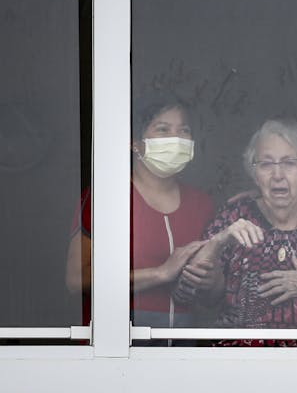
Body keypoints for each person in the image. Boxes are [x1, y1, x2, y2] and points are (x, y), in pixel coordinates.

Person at [185, 119, 297, 346]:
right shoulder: (233, 218)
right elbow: (192, 295)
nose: (277, 175)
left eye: (289, 163)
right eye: (266, 164)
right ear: (254, 174)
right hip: (239, 360)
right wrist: (219, 240)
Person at [65, 95, 213, 331]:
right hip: (119, 345)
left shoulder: (202, 204)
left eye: (184, 130)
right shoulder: (107, 197)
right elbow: (76, 279)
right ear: (135, 142)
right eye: (163, 129)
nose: (175, 139)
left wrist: (212, 282)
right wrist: (160, 273)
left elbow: (216, 289)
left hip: (185, 347)